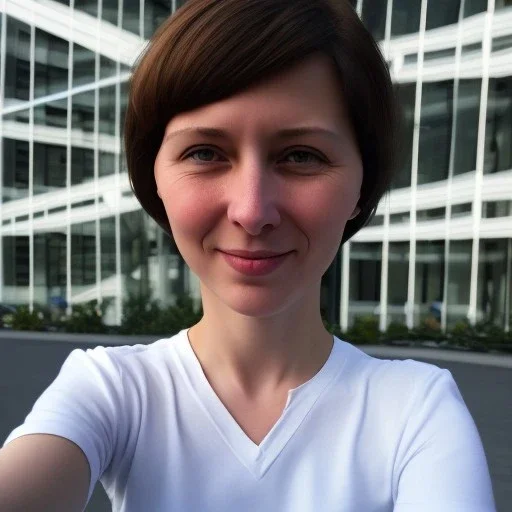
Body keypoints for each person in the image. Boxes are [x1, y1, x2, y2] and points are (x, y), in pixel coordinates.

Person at [0, 1, 496, 511]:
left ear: (361, 188)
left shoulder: (416, 409)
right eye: (205, 153)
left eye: (301, 156)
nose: (252, 211)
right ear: (155, 181)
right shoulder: (109, 391)